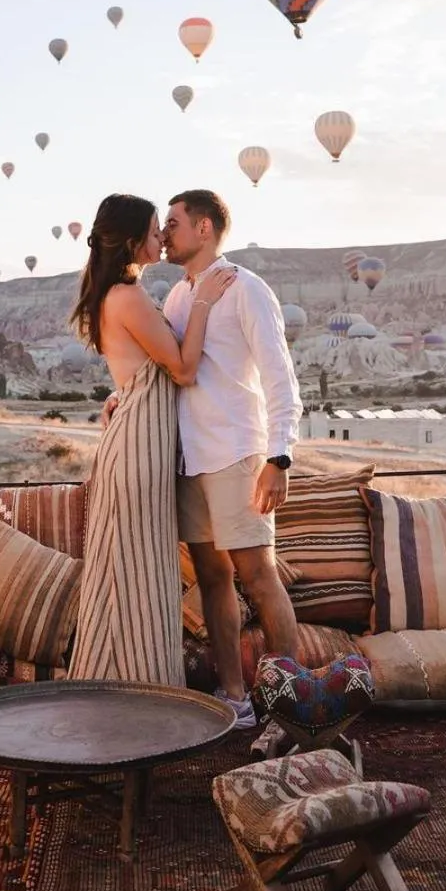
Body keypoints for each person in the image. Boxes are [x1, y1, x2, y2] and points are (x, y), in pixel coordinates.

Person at [68, 193, 236, 687]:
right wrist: (203, 301)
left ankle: (134, 687)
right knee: (137, 575)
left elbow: (137, 370)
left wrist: (119, 395)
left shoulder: (120, 294)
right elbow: (182, 368)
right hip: (139, 449)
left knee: (138, 571)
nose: (161, 237)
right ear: (132, 239)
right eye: (153, 229)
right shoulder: (127, 296)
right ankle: (138, 691)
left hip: (142, 439)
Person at [161, 189, 303, 729]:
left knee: (257, 574)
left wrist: (281, 456)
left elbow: (278, 374)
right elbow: (174, 369)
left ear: (204, 228)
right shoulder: (178, 297)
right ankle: (234, 696)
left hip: (238, 450)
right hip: (190, 458)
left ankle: (287, 695)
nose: (165, 231)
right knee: (213, 578)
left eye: (173, 222)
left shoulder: (246, 288)